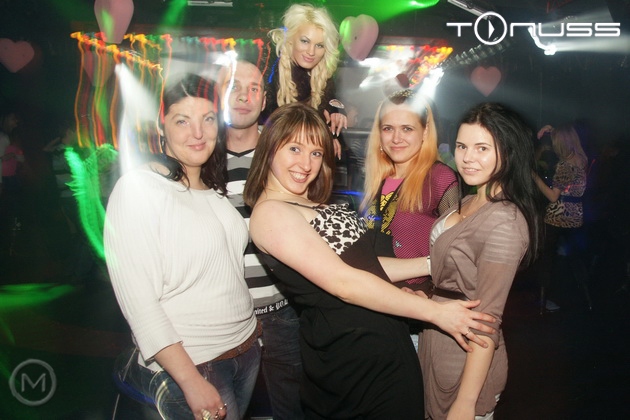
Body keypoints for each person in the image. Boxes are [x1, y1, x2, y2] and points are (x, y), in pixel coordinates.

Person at [243, 102, 497, 419]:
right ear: (269, 149)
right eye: (294, 148)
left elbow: (364, 266)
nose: (306, 164)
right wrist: (436, 313)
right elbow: (344, 282)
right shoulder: (270, 213)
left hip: (381, 349)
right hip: (351, 362)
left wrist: (430, 265)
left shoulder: (306, 202)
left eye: (316, 152)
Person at [104, 73, 260, 420]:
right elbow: (138, 302)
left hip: (245, 351)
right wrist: (189, 380)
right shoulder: (140, 189)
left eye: (208, 119)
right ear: (162, 127)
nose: (198, 133)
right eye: (182, 121)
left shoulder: (213, 190)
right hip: (195, 364)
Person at [418, 102, 544, 420]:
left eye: (482, 148)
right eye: (462, 146)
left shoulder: (505, 221)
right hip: (438, 337)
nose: (467, 157)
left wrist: (466, 403)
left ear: (508, 152)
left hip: (464, 354)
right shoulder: (471, 198)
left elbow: (487, 321)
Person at [218, 59, 304, 420]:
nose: (244, 96)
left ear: (264, 99)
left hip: (281, 312)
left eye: (253, 88)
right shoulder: (200, 159)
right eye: (234, 86)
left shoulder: (282, 159)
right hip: (222, 319)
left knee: (293, 410)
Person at [361, 89, 459, 295]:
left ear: (425, 131)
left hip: (414, 297)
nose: (396, 138)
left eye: (407, 128)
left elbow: (456, 253)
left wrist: (432, 295)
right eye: (388, 128)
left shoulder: (439, 178)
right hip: (369, 293)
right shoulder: (376, 178)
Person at [263, 3, 347, 158]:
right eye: (305, 41)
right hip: (273, 151)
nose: (311, 52)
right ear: (291, 39)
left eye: (319, 45)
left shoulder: (324, 75)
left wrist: (333, 130)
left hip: (307, 155)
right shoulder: (272, 66)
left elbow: (329, 110)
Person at [533, 123, 590, 312]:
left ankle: (542, 303)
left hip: (557, 217)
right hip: (575, 216)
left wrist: (534, 177)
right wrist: (551, 131)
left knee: (546, 260)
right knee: (575, 259)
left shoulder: (564, 165)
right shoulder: (581, 159)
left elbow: (553, 196)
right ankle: (587, 299)